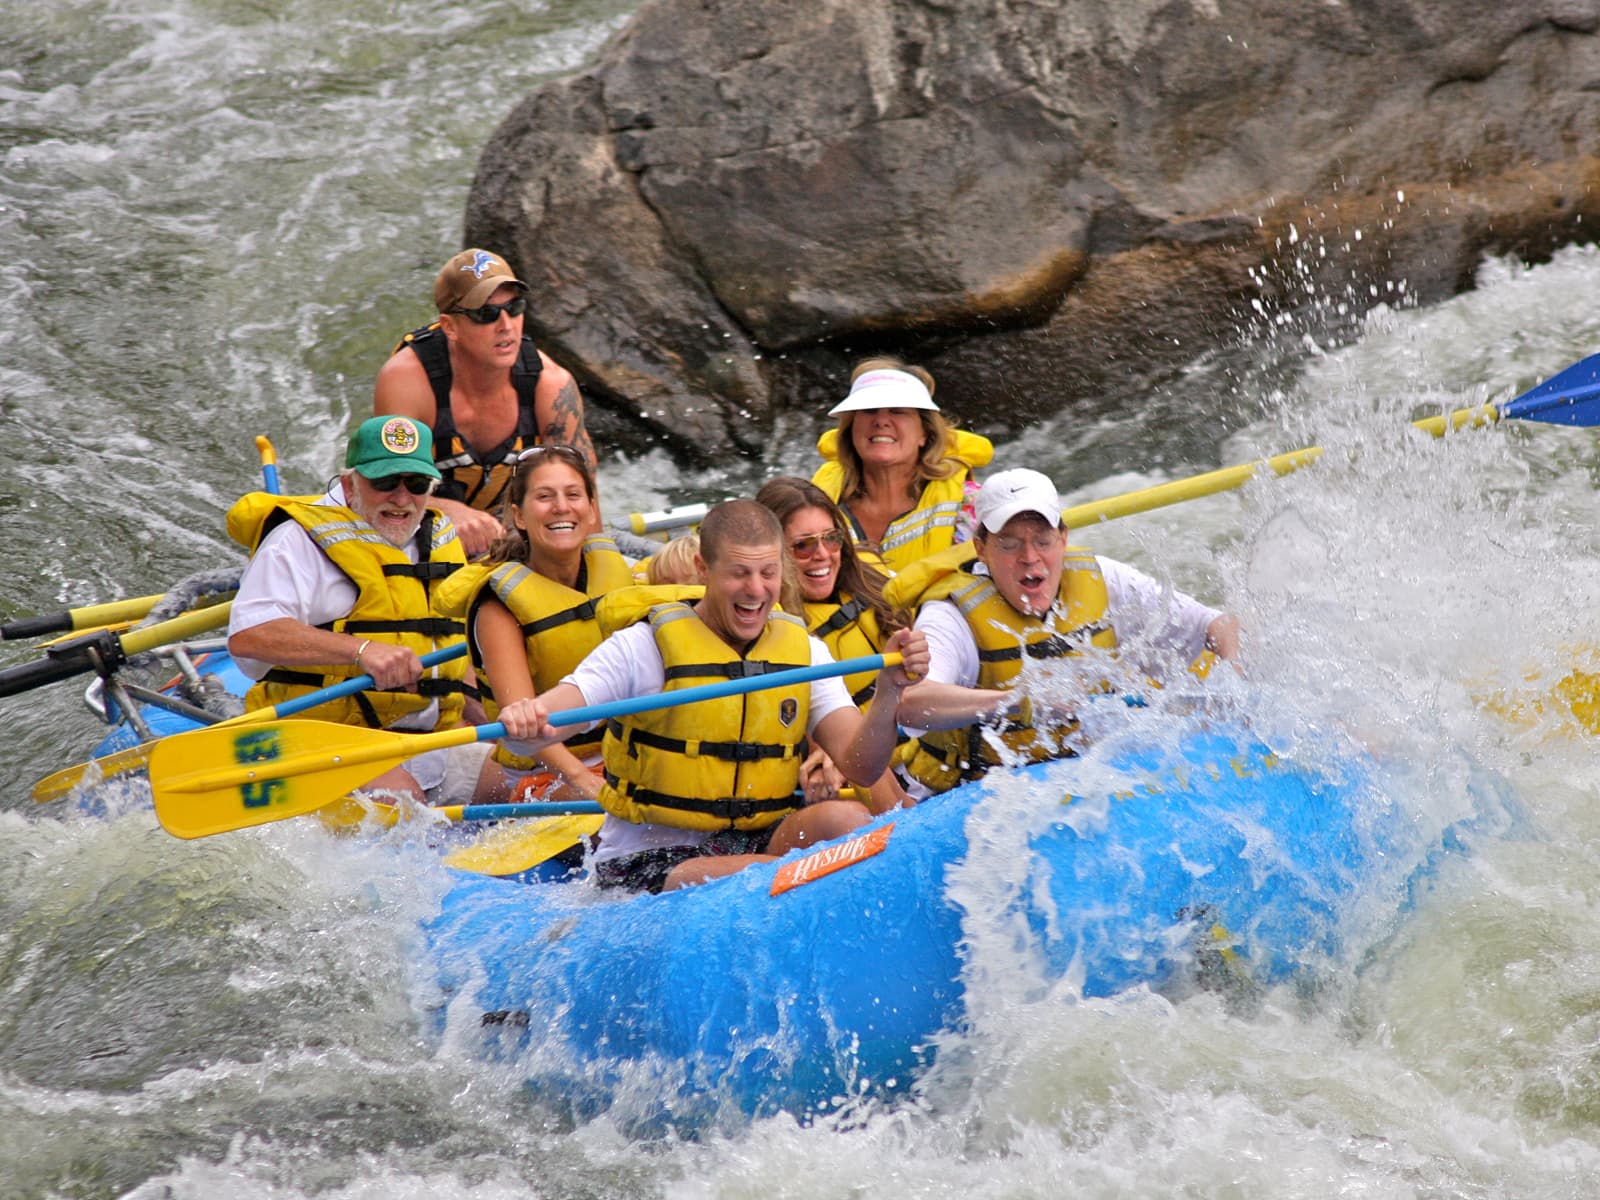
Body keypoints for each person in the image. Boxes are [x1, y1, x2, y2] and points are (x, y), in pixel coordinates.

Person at [498, 500, 929, 894]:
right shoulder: (640, 647)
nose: (757, 590)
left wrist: (890, 691)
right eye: (739, 573)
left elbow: (862, 767)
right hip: (645, 859)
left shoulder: (806, 652)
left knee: (849, 820)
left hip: (754, 837)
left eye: (768, 573)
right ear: (704, 569)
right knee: (766, 873)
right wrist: (526, 720)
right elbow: (537, 730)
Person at [893, 467, 1241, 797]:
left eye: (1043, 540)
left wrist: (1235, 680)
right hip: (970, 791)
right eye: (1009, 544)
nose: (1030, 558)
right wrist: (1021, 701)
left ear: (1063, 538)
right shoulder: (950, 615)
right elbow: (911, 704)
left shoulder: (1103, 578)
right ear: (981, 548)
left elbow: (1219, 626)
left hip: (1076, 777)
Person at [226, 415, 494, 805]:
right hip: (326, 742)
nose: (402, 499)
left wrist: (502, 725)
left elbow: (453, 656)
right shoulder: (296, 541)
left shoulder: (441, 539)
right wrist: (362, 651)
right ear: (350, 485)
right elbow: (250, 635)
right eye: (385, 482)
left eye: (416, 484)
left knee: (539, 784)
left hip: (431, 743)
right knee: (403, 804)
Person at [436, 444, 635, 802]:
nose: (561, 506)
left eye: (573, 494)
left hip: (615, 756)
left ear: (591, 510)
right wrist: (585, 781)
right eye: (545, 496)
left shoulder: (619, 571)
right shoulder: (500, 606)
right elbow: (523, 727)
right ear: (520, 516)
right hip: (542, 770)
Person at [374, 248, 597, 559]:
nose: (506, 325)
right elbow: (380, 493)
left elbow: (583, 501)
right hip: (418, 538)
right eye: (486, 314)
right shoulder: (408, 382)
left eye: (514, 307)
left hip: (512, 535)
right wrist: (446, 510)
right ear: (449, 326)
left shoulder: (551, 384)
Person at [812, 357, 994, 574]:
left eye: (898, 411)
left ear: (924, 433)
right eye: (869, 410)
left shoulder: (971, 503)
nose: (881, 421)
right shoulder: (814, 498)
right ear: (851, 429)